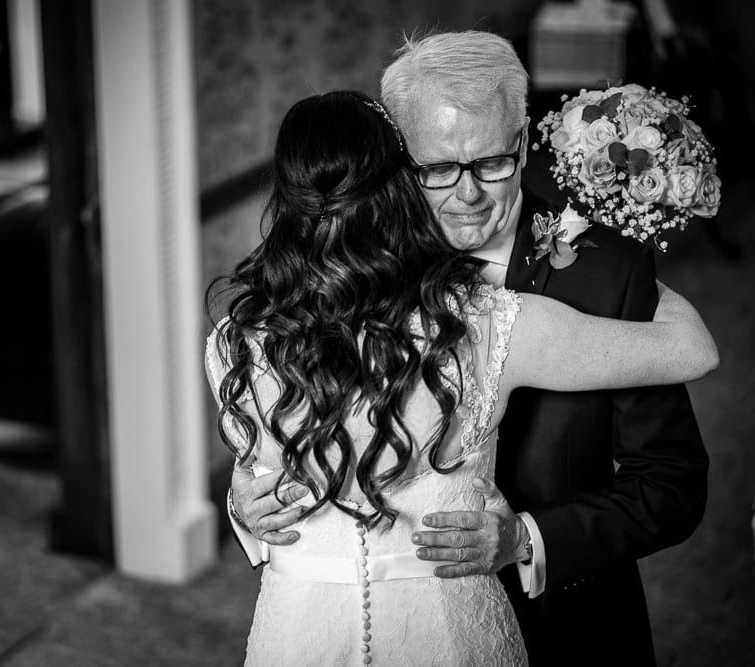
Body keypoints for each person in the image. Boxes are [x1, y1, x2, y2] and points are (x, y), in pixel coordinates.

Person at [228, 31, 711, 666]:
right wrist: (249, 493)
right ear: (398, 157)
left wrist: (527, 539)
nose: (468, 194)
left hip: (568, 621)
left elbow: (673, 486)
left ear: (523, 136)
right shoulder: (349, 272)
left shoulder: (606, 273)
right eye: (436, 168)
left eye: (491, 163)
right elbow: (295, 418)